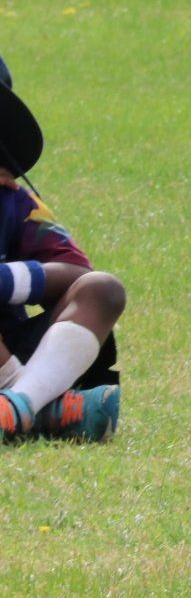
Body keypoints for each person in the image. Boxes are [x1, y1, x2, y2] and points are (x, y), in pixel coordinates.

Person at [0, 58, 127, 443]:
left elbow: (75, 272)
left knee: (103, 289)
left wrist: (6, 280)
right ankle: (45, 411)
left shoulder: (13, 201)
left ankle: (18, 405)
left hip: (21, 350)